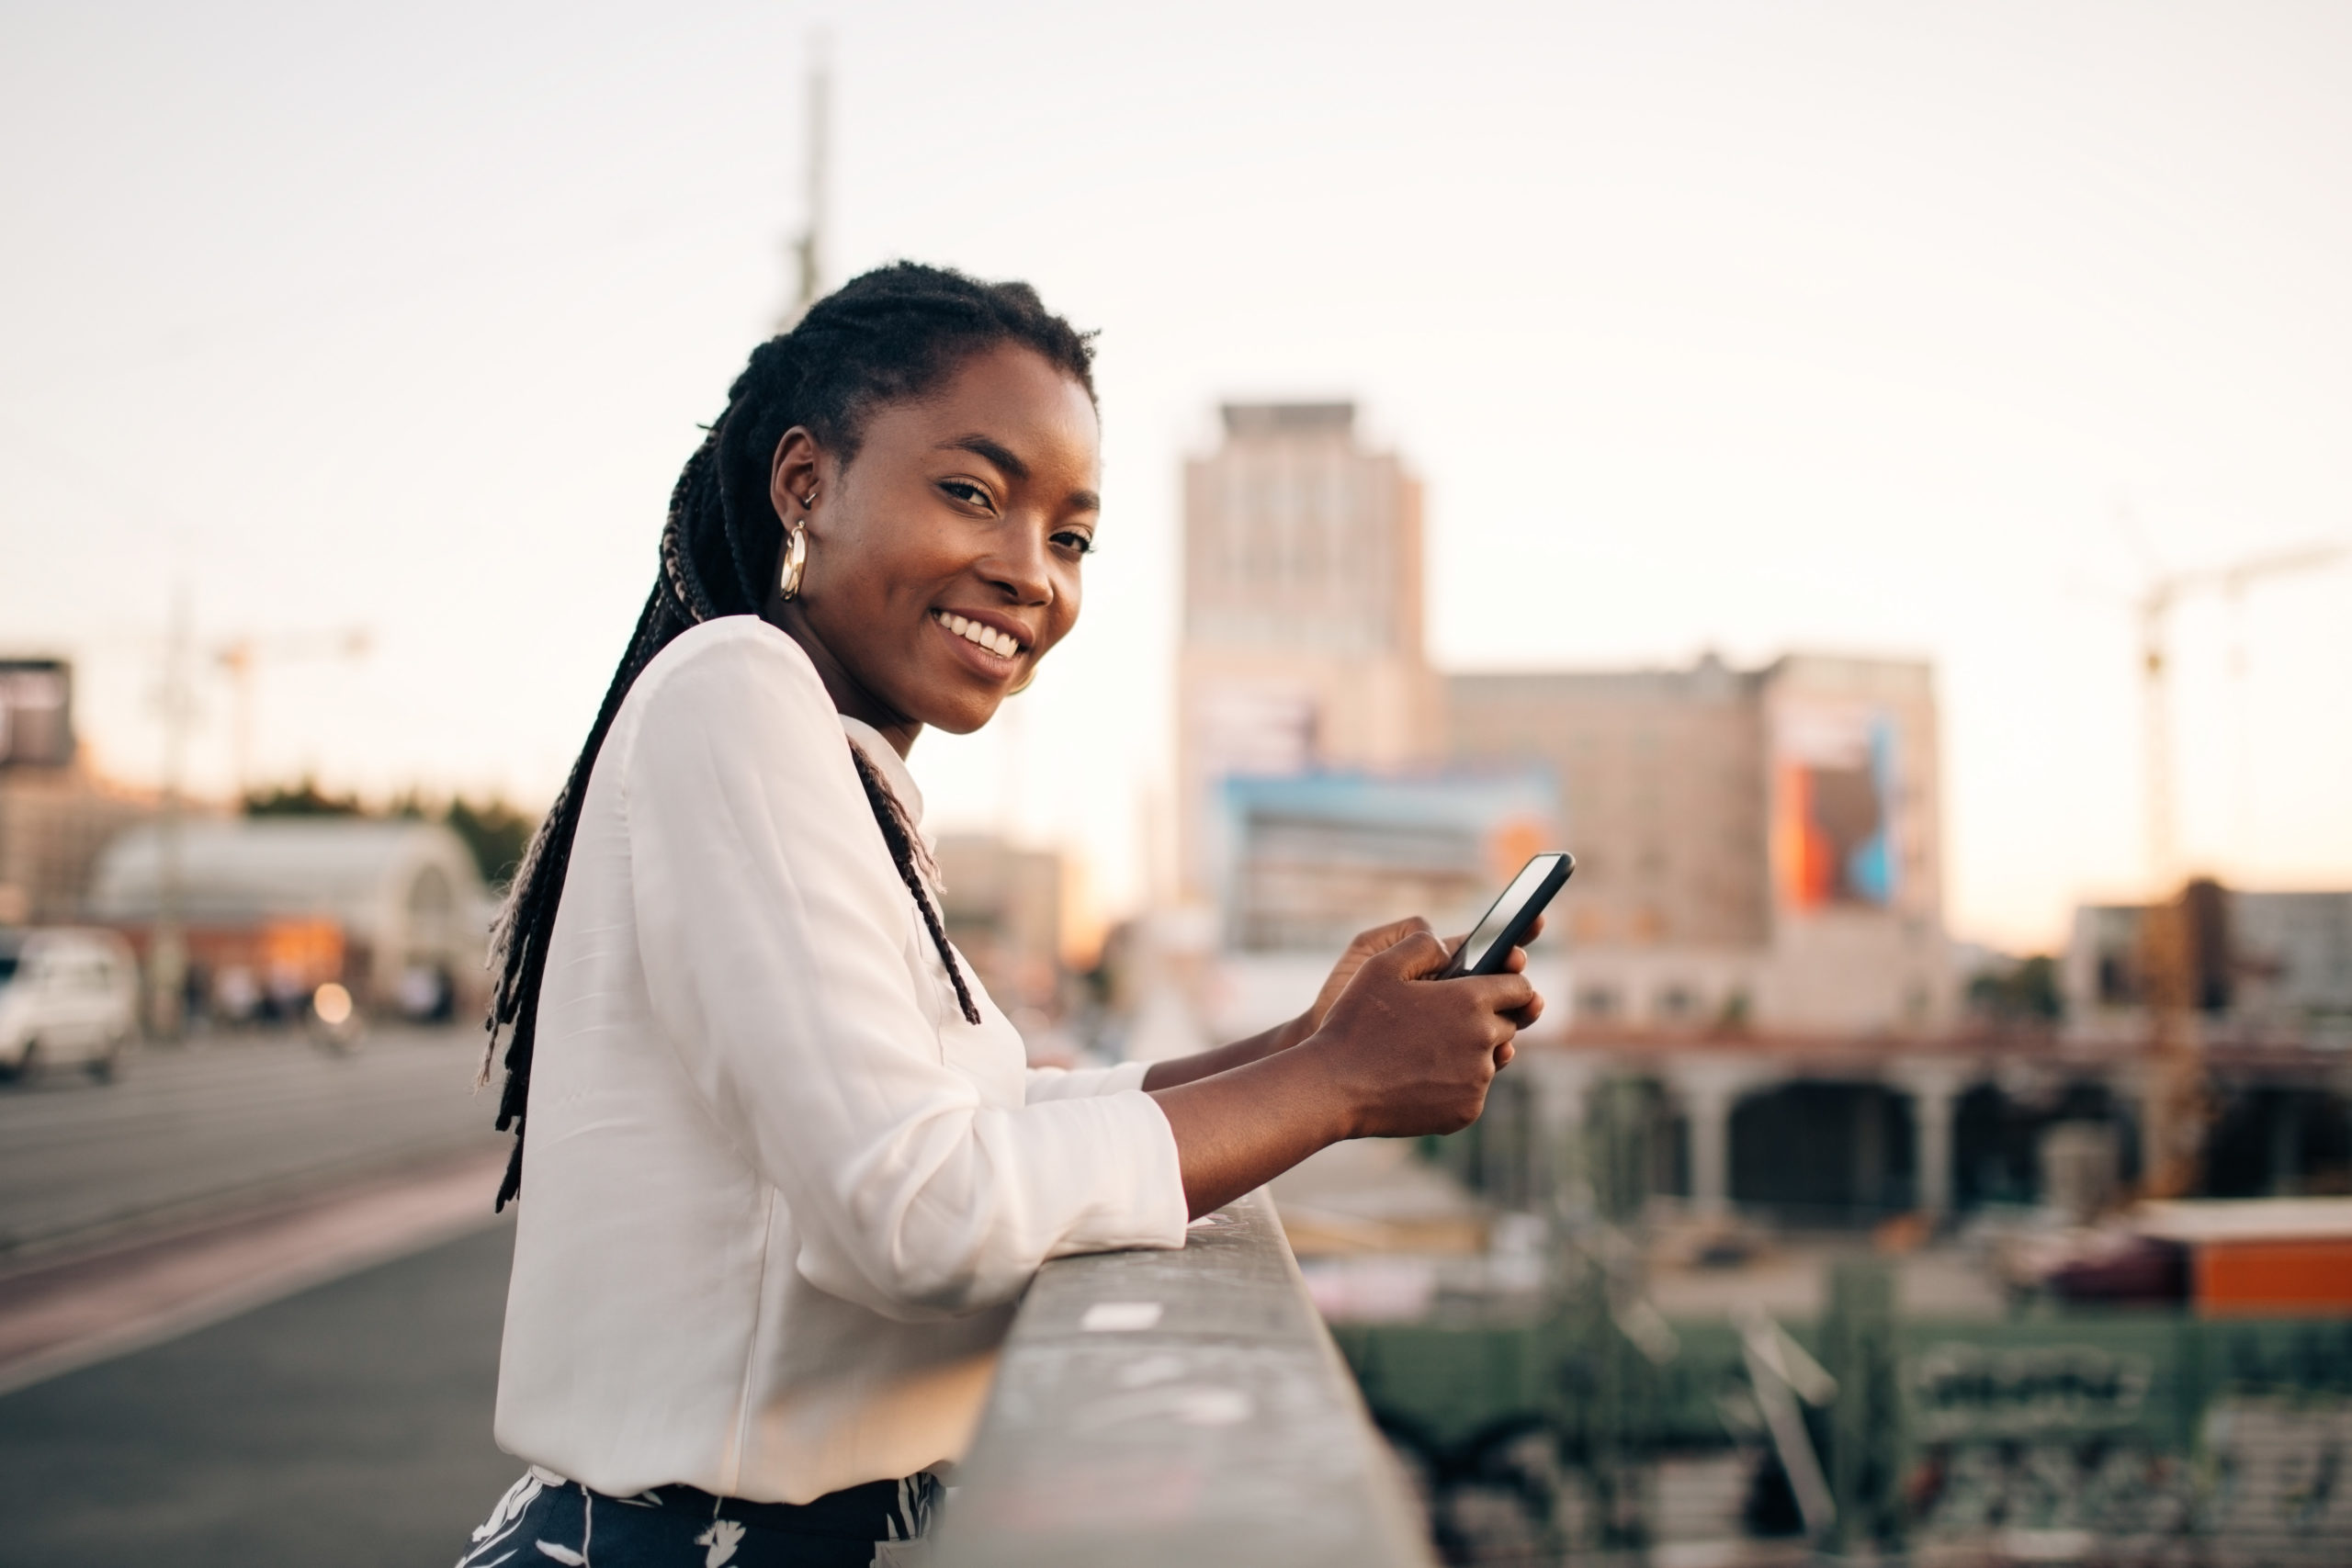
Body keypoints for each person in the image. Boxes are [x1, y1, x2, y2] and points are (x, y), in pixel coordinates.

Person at [458, 262, 1543, 1567]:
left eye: (1071, 538)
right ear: (805, 483)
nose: (1031, 574)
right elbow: (913, 1211)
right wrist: (1340, 1088)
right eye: (972, 493)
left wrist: (1305, 1047)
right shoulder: (735, 691)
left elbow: (979, 1122)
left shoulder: (839, 765)